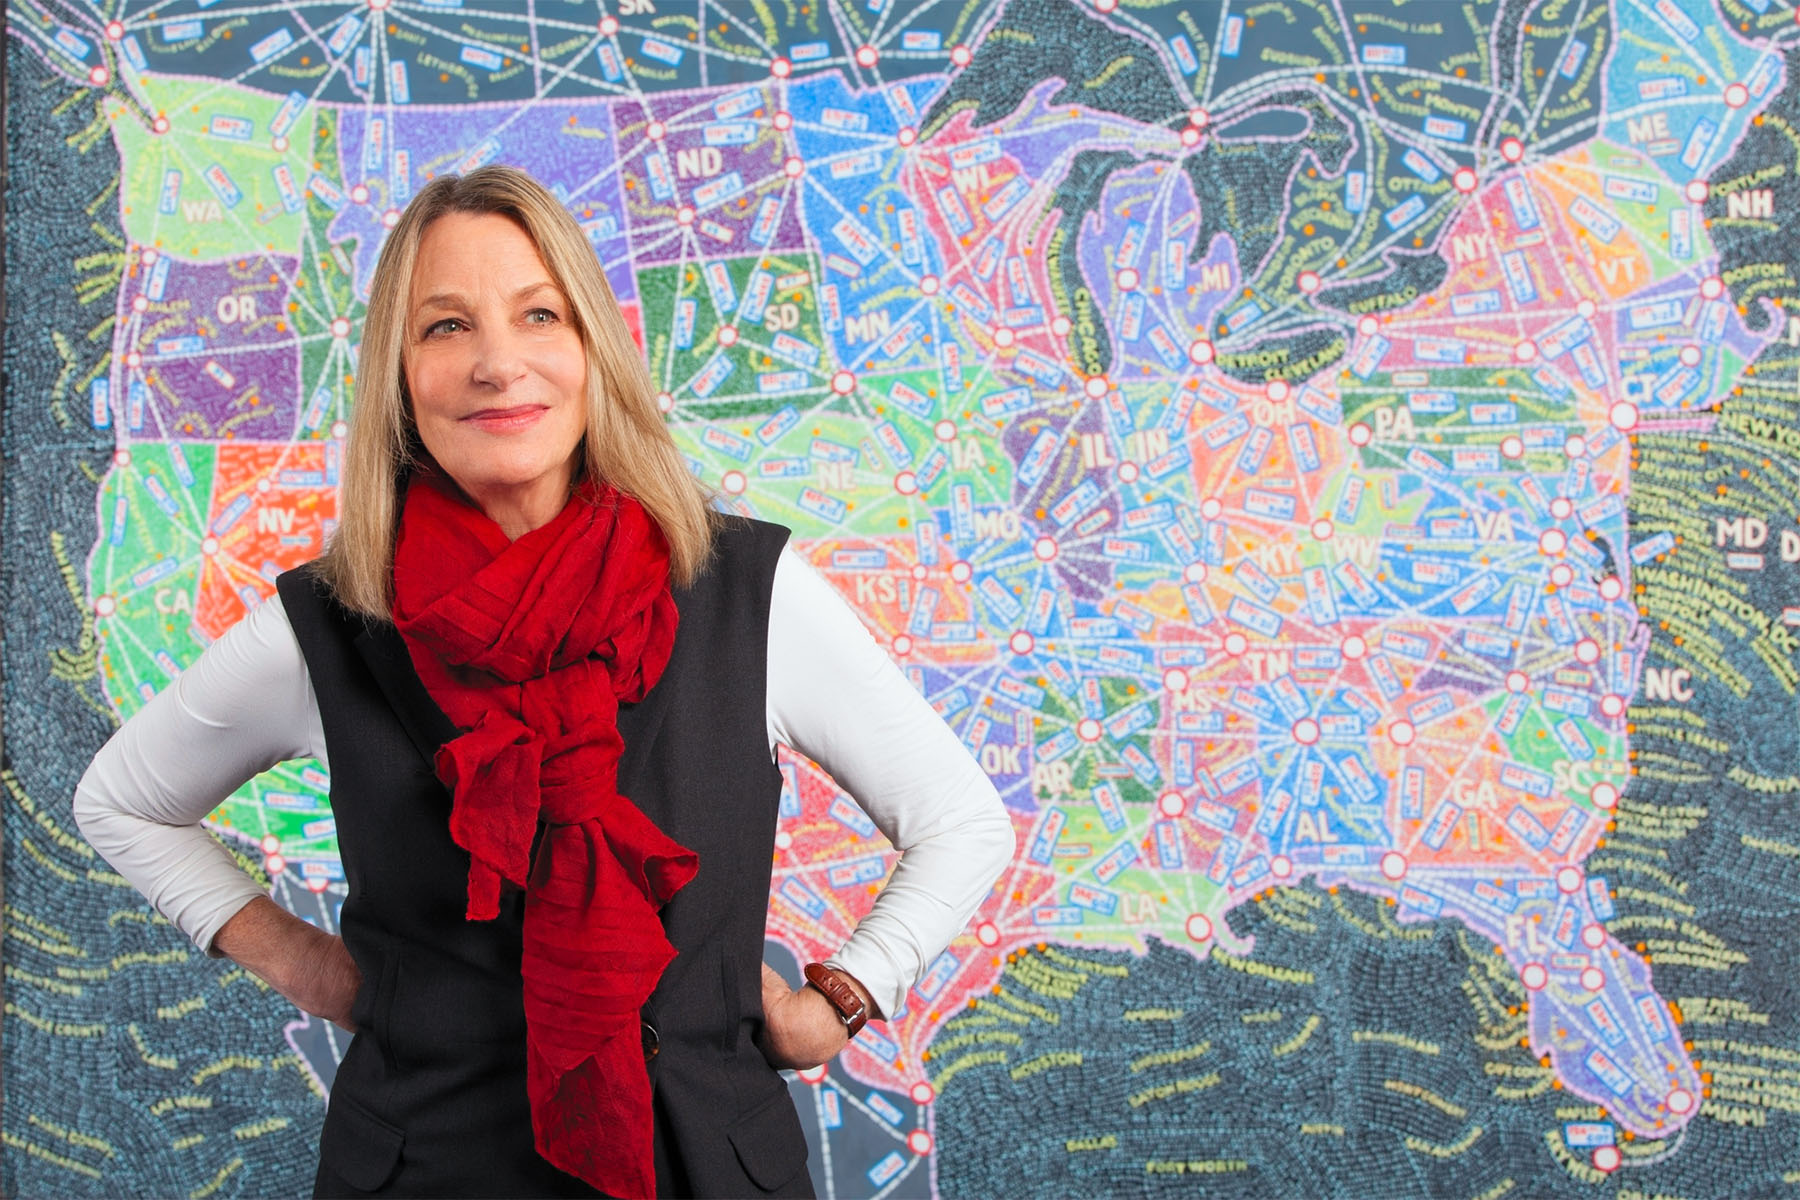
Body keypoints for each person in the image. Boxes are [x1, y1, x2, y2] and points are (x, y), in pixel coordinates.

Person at [74, 164, 1015, 1199]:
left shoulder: (745, 589)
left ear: (591, 349)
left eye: (539, 314)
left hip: (705, 1170)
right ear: (397, 375)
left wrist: (838, 999)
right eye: (445, 327)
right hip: (427, 1174)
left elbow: (962, 822)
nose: (498, 364)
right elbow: (122, 801)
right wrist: (305, 964)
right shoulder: (330, 623)